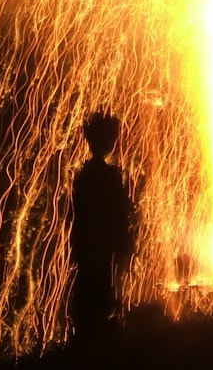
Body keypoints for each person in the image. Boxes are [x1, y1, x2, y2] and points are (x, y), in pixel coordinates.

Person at [69, 110, 136, 339]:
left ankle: (84, 340)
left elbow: (73, 214)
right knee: (102, 295)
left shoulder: (81, 175)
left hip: (86, 247)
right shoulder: (109, 177)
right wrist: (125, 243)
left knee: (87, 294)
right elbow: (118, 214)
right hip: (102, 248)